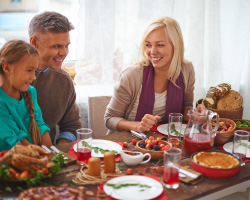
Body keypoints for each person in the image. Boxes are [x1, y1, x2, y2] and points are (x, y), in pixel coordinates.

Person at [104, 16, 195, 134]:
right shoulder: (131, 76)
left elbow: (186, 107)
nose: (152, 52)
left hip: (164, 141)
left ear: (176, 46)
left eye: (160, 45)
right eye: (148, 45)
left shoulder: (187, 70)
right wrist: (138, 126)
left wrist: (194, 114)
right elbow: (109, 119)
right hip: (128, 142)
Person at [28, 11, 81, 144]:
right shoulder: (5, 78)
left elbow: (71, 126)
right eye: (57, 46)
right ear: (34, 42)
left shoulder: (63, 80)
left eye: (66, 45)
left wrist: (58, 153)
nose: (64, 53)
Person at [0, 40, 52, 151]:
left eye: (35, 71)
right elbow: (17, 140)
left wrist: (52, 152)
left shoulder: (31, 92)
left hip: (31, 154)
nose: (34, 77)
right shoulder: (1, 101)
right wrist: (42, 157)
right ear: (7, 68)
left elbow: (40, 125)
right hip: (9, 161)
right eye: (29, 70)